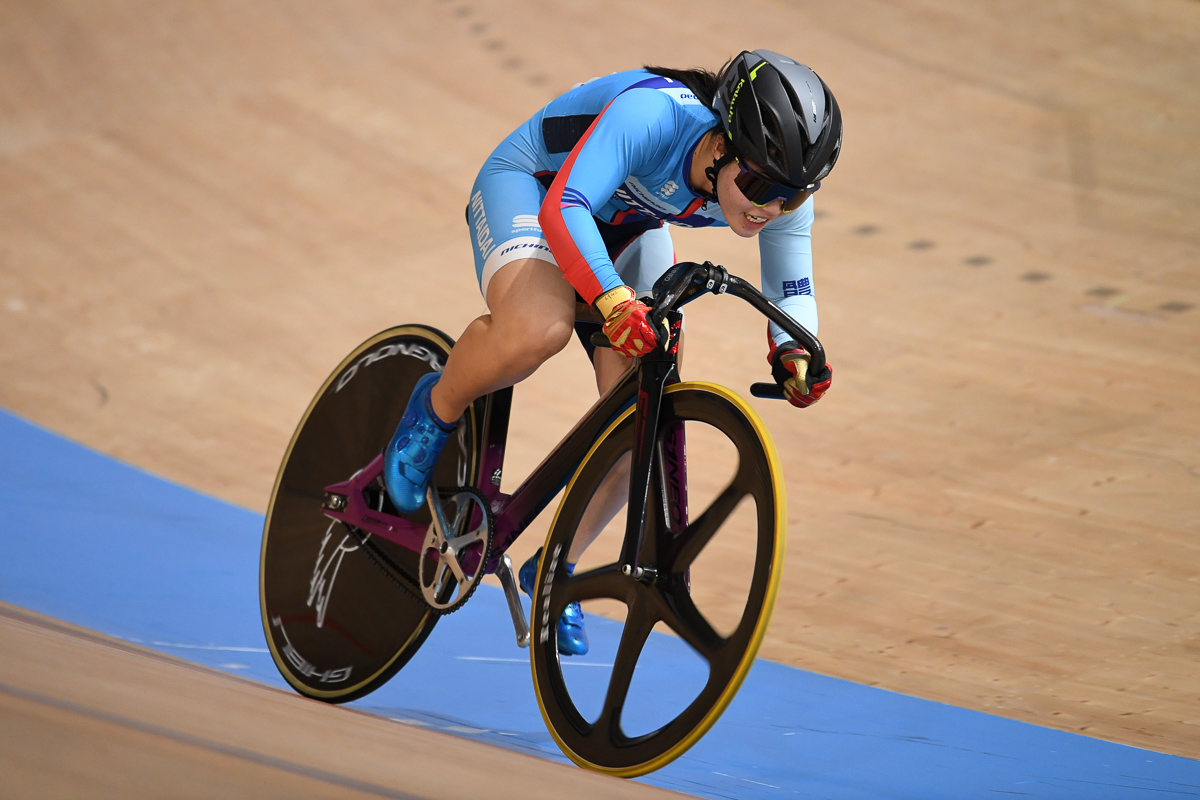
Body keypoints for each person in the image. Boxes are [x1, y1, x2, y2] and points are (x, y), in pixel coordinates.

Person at [385, 50, 841, 655]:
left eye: (791, 197)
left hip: (626, 224)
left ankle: (555, 568)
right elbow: (564, 208)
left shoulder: (776, 195)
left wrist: (795, 354)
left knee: (641, 421)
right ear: (720, 146)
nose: (770, 209)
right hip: (535, 187)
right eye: (758, 186)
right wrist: (610, 298)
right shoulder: (653, 115)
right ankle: (433, 409)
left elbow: (791, 287)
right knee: (537, 330)